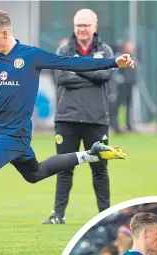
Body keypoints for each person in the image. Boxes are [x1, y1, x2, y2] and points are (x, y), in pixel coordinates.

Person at [0, 9, 133, 250]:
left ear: (5, 33)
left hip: (12, 139)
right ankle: (90, 155)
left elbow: (72, 62)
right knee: (35, 174)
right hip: (9, 138)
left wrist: (114, 61)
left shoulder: (31, 56)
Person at [43, 8, 116, 225]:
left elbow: (105, 75)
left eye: (85, 25)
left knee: (100, 169)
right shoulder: (64, 50)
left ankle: (105, 216)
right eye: (78, 25)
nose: (82, 29)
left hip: (96, 120)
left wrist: (76, 68)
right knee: (64, 169)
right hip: (67, 119)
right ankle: (58, 215)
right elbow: (61, 77)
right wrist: (92, 71)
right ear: (74, 27)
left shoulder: (106, 50)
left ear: (94, 27)